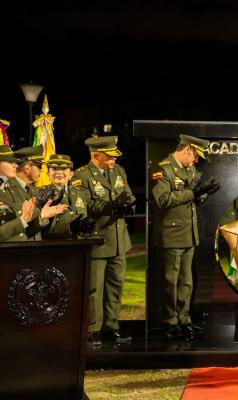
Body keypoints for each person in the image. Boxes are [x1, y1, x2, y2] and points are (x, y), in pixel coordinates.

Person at [151, 134, 219, 340]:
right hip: (171, 233)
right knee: (170, 281)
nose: (196, 161)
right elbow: (163, 199)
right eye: (196, 156)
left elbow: (192, 199)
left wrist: (204, 193)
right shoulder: (162, 169)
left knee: (186, 281)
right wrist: (193, 193)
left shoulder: (189, 169)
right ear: (188, 149)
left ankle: (184, 318)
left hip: (189, 232)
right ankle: (170, 321)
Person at [73, 136, 135, 346]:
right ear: (96, 155)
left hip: (118, 239)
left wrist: (129, 204)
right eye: (109, 157)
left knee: (115, 286)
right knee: (95, 289)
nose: (113, 161)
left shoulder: (118, 171)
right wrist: (112, 205)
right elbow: (85, 205)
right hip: (98, 238)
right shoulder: (82, 176)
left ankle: (112, 326)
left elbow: (127, 194)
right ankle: (93, 329)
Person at [0, 145, 67, 241]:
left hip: (31, 247)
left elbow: (28, 232)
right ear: (27, 168)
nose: (15, 165)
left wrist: (42, 218)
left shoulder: (30, 190)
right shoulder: (9, 187)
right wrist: (23, 220)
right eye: (10, 162)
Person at [40, 154, 94, 239]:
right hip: (54, 244)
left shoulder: (79, 193)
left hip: (79, 244)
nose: (59, 172)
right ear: (48, 173)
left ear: (71, 174)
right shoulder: (42, 194)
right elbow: (38, 228)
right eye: (54, 169)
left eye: (63, 169)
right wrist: (69, 228)